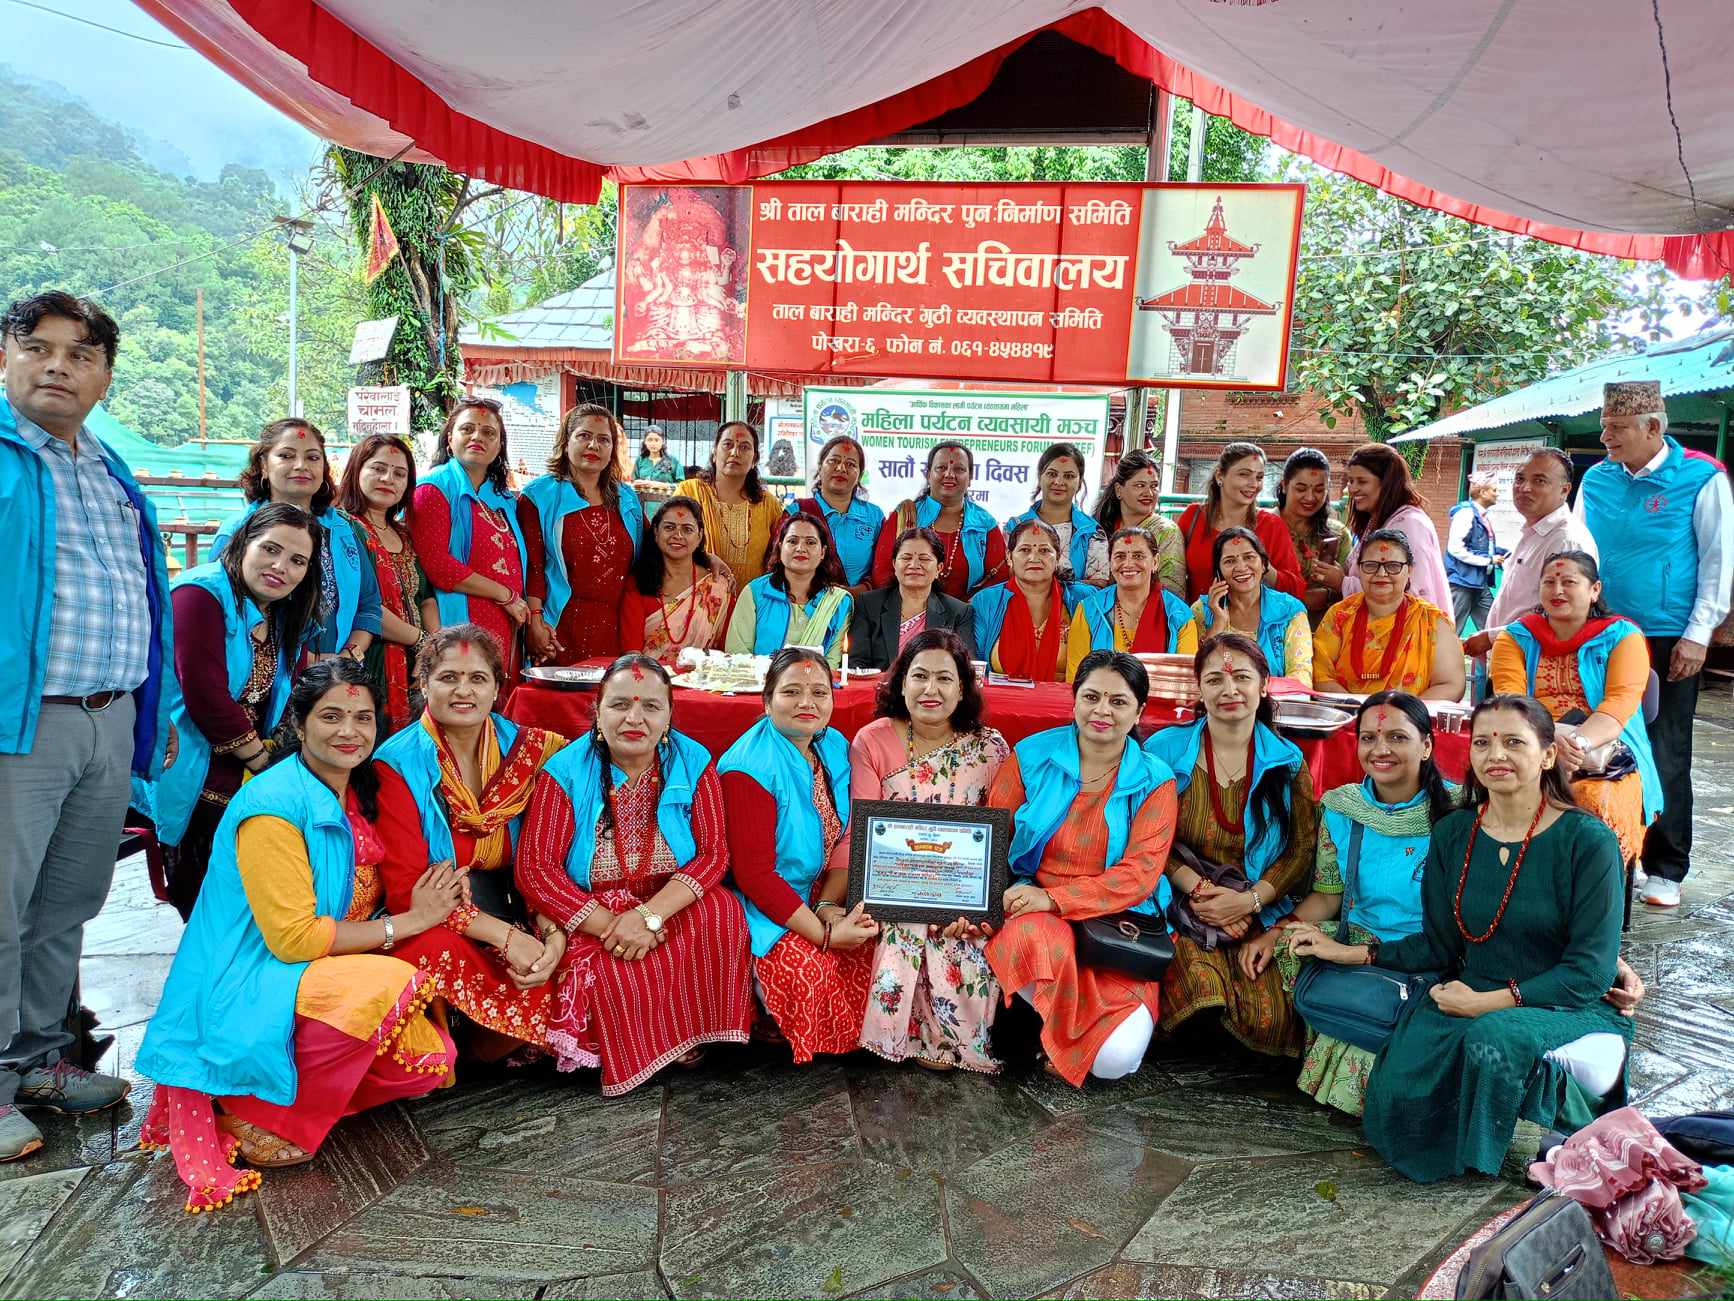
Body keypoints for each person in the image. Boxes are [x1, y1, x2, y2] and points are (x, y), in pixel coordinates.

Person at [136, 661, 458, 1210]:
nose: (349, 731)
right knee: (389, 986)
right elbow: (293, 940)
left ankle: (296, 1095)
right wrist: (406, 924)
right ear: (299, 724)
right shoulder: (273, 807)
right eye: (331, 717)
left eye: (362, 717)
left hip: (307, 968)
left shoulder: (354, 789)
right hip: (248, 975)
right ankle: (250, 1106)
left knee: (432, 1060)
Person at [0, 291, 177, 1164]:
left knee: (67, 901)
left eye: (80, 354)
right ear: (6, 358)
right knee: (1, 904)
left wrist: (156, 707)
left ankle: (38, 1060)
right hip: (21, 721)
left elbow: (143, 593)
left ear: (105, 376)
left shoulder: (109, 468)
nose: (58, 366)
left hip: (110, 716)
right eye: (38, 347)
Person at [1326, 696, 1633, 1183]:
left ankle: (1570, 1118)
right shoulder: (1454, 832)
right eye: (1483, 743)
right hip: (1475, 990)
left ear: (1548, 755)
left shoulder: (1587, 841)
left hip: (1564, 1003)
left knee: (1494, 1037)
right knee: (1400, 1085)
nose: (1496, 755)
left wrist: (1486, 1004)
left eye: (1513, 742)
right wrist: (1355, 953)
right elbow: (1439, 946)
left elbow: (1590, 972)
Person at [515, 655, 753, 1092]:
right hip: (593, 911)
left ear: (669, 716)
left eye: (651, 706)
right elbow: (536, 870)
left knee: (722, 911)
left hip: (666, 903)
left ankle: (686, 1032)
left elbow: (713, 855)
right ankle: (636, 1045)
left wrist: (648, 917)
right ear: (598, 711)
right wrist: (615, 926)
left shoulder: (692, 760)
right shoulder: (564, 772)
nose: (634, 718)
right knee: (608, 969)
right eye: (620, 704)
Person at [1243, 692, 1460, 1115]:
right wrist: (1274, 932)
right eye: (1368, 738)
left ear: (1427, 746)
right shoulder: (1343, 809)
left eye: (1397, 737)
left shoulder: (1458, 813)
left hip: (1426, 952)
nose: (1380, 750)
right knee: (1288, 946)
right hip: (1356, 937)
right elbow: (1329, 895)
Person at [371, 626, 567, 1059]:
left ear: (497, 688)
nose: (464, 691)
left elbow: (548, 862)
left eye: (477, 678)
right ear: (424, 684)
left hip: (522, 903)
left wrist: (551, 934)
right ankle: (460, 1050)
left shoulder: (531, 752)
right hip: (437, 919)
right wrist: (506, 938)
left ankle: (492, 1043)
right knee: (432, 952)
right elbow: (405, 893)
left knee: (571, 958)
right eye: (448, 678)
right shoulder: (397, 763)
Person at [984, 650, 1177, 1084]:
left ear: (1139, 711)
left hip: (1117, 922)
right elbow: (995, 839)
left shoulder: (1155, 779)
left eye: (1118, 701)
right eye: (1091, 697)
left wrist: (1056, 899)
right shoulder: (1031, 756)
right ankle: (1055, 1031)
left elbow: (1139, 876)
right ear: (1074, 700)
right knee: (1030, 940)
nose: (1102, 711)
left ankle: (1053, 1034)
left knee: (1115, 1062)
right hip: (1036, 912)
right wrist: (1016, 897)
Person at [1575, 379, 1732, 909]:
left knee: (1665, 747)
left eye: (1616, 428)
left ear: (1652, 427)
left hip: (1667, 636)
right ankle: (1613, 853)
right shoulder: (1597, 479)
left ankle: (1666, 866)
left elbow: (1718, 561)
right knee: (1599, 740)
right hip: (1602, 632)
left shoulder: (1701, 476)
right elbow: (1581, 551)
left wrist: (1698, 635)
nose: (1605, 437)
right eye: (1604, 426)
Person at [836, 631, 1010, 1071]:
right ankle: (909, 1035)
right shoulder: (872, 740)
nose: (930, 689)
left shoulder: (989, 749)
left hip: (961, 896)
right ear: (901, 683)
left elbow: (997, 840)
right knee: (903, 926)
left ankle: (949, 1036)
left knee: (964, 940)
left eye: (944, 679)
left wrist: (976, 906)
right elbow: (859, 832)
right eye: (919, 676)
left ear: (963, 688)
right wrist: (831, 902)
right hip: (893, 886)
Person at [1146, 634, 1317, 1056]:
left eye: (1242, 677)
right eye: (1215, 680)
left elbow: (1301, 850)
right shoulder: (1164, 751)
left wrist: (1247, 902)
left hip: (1257, 904)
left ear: (1264, 685)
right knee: (1201, 986)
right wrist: (1202, 894)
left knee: (1271, 1017)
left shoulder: (1286, 761)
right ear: (1199, 689)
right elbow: (1145, 838)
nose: (1229, 690)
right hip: (1183, 899)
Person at [152, 505, 320, 920]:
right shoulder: (199, 594)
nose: (281, 567)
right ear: (243, 543)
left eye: (297, 561)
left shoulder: (280, 611)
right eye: (271, 550)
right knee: (215, 903)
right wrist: (265, 765)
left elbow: (290, 694)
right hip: (191, 760)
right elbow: (204, 696)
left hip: (249, 761)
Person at [719, 648, 878, 1062]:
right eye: (791, 692)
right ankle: (768, 1012)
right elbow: (754, 876)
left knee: (880, 946)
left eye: (819, 692)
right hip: (768, 903)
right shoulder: (748, 767)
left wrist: (830, 905)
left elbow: (850, 833)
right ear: (766, 701)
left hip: (824, 889)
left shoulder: (832, 744)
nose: (807, 702)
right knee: (810, 971)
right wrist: (824, 933)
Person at [1490, 551, 1660, 867]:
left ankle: (1597, 884)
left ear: (1594, 590)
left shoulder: (1623, 637)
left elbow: (1616, 708)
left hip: (1604, 749)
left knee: (1594, 800)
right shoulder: (1515, 637)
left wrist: (1575, 746)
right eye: (1549, 582)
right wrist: (1549, 743)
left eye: (1569, 582)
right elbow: (1512, 703)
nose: (1557, 591)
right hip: (1528, 741)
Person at [210, 418, 382, 662]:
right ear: (263, 465)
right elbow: (223, 612)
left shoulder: (343, 531)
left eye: (312, 457)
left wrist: (345, 659)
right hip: (260, 674)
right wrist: (308, 662)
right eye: (286, 456)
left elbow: (369, 605)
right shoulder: (238, 531)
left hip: (338, 675)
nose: (301, 465)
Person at [410, 398, 531, 696]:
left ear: (499, 446)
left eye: (489, 433)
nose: (478, 437)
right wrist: (505, 595)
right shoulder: (432, 488)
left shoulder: (502, 498)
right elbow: (438, 565)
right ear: (449, 440)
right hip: (460, 622)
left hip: (506, 624)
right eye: (467, 429)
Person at [518, 403, 645, 666]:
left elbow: (655, 548)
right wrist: (535, 621)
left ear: (613, 449)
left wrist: (706, 559)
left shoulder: (626, 497)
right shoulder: (539, 496)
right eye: (584, 436)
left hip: (618, 625)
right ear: (566, 442)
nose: (593, 446)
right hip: (558, 626)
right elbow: (533, 565)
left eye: (604, 439)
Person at [335, 434, 437, 736]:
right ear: (356, 470)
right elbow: (363, 605)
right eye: (378, 469)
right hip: (369, 657)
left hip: (415, 663)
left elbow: (426, 597)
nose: (388, 479)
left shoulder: (403, 533)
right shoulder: (343, 528)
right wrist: (421, 641)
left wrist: (434, 648)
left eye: (399, 474)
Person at [1466, 448, 1598, 657]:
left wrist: (1490, 638)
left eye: (1539, 481)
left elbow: (1566, 618)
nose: (1525, 488)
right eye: (1520, 479)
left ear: (1564, 490)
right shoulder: (1532, 531)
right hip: (1509, 657)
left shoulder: (1566, 540)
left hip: (1537, 663)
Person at [1314, 530, 1465, 700]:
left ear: (1410, 570)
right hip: (1345, 712)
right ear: (1359, 568)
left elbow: (1451, 684)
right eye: (1371, 565)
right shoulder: (1339, 615)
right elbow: (1321, 676)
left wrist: (1405, 712)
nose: (1381, 574)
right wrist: (1357, 710)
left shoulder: (1433, 622)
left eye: (1393, 566)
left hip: (1412, 715)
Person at [870, 442, 1007, 599]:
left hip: (969, 612)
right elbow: (882, 574)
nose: (949, 474)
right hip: (906, 610)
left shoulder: (985, 524)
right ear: (928, 475)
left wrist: (966, 609)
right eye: (941, 468)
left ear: (970, 478)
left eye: (959, 469)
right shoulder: (905, 516)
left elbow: (999, 579)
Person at [1174, 443, 1305, 603]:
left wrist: (1262, 567)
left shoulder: (1271, 525)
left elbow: (1296, 589)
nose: (1254, 484)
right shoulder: (1193, 517)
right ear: (1220, 476)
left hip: (1253, 618)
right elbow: (1171, 574)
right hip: (1196, 617)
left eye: (1259, 477)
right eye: (1244, 475)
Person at [1064, 527, 1199, 680]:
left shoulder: (1178, 615)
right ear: (1110, 563)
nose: (1128, 564)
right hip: (1100, 694)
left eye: (1138, 556)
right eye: (1120, 556)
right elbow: (1076, 678)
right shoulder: (1089, 610)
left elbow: (1186, 680)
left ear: (1155, 562)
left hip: (1160, 695)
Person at [725, 511, 853, 666]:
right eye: (792, 541)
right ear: (780, 548)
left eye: (810, 542)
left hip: (816, 680)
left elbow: (831, 665)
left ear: (822, 552)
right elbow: (737, 654)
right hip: (757, 679)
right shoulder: (755, 592)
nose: (800, 548)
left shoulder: (837, 602)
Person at [970, 519, 1090, 682]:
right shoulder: (986, 601)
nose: (1034, 558)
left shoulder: (1083, 599)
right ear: (1009, 557)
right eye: (1025, 550)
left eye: (1044, 550)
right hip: (1001, 697)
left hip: (1066, 698)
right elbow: (974, 668)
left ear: (1057, 557)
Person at [1189, 527, 1313, 685]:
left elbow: (1301, 677)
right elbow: (1195, 675)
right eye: (1229, 561)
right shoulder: (1202, 610)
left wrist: (1254, 692)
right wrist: (1218, 623)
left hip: (1274, 699)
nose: (1241, 567)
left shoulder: (1290, 611)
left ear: (1264, 564)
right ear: (1219, 571)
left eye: (1249, 557)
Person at [619, 496, 735, 665]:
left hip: (705, 678)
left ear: (699, 536)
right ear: (656, 532)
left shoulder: (719, 587)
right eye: (669, 527)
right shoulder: (639, 583)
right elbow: (632, 654)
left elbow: (728, 652)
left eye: (687, 529)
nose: (678, 535)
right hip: (649, 678)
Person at [1341, 442, 1451, 611]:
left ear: (1386, 483)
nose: (1352, 489)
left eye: (1362, 481)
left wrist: (1342, 583)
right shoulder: (1378, 521)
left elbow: (1408, 593)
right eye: (1350, 481)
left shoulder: (1409, 525)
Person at [848, 526, 976, 670]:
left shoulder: (959, 612)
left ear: (939, 568)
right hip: (881, 684)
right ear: (894, 565)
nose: (914, 565)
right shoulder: (869, 604)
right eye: (906, 558)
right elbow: (856, 664)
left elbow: (966, 667)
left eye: (924, 559)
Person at [675, 421, 785, 589]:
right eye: (727, 445)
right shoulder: (690, 492)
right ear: (714, 453)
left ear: (755, 459)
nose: (735, 452)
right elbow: (668, 541)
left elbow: (778, 557)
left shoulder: (769, 505)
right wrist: (703, 557)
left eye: (744, 447)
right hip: (696, 598)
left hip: (751, 601)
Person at [788, 434, 884, 591]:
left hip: (860, 603)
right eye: (833, 461)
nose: (841, 469)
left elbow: (884, 569)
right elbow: (778, 563)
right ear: (820, 467)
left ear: (859, 475)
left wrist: (857, 592)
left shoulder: (874, 516)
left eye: (851, 464)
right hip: (804, 601)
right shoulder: (797, 511)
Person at [1083, 449, 1185, 595]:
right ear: (1119, 490)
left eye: (1154, 486)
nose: (1149, 493)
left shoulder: (1166, 532)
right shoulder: (1098, 527)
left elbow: (1173, 591)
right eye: (1140, 485)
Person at [1002, 443, 1100, 583]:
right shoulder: (1015, 526)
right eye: (1052, 474)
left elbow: (1098, 584)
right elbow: (1008, 579)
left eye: (1069, 476)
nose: (1059, 482)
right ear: (1040, 477)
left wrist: (1054, 591)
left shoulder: (1091, 531)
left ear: (1079, 482)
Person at [1276, 447, 1350, 625]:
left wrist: (1333, 590)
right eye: (1301, 488)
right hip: (1270, 629)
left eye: (1319, 489)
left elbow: (1352, 594)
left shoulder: (1339, 534)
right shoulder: (1263, 527)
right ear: (1284, 485)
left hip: (1323, 631)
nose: (1310, 497)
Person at [1445, 472, 1507, 635]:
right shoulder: (1466, 514)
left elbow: (1482, 547)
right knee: (1452, 631)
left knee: (1492, 629)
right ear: (1483, 492)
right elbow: (1456, 548)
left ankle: (1490, 652)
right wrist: (1489, 560)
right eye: (1494, 490)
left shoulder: (1481, 515)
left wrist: (1504, 553)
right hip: (1462, 582)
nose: (1497, 494)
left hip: (1478, 582)